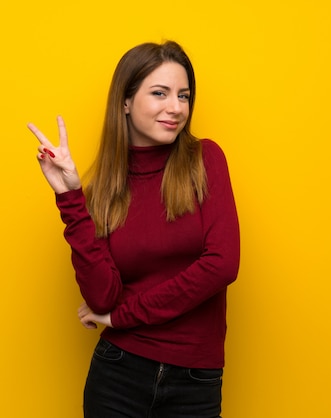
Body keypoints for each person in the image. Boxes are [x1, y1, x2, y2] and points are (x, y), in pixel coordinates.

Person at [28, 40, 240, 418]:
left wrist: (122, 317)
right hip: (118, 372)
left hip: (196, 378)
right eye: (159, 93)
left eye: (184, 95)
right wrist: (71, 198)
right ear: (125, 102)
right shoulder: (106, 190)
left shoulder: (205, 159)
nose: (176, 108)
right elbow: (103, 296)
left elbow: (222, 265)